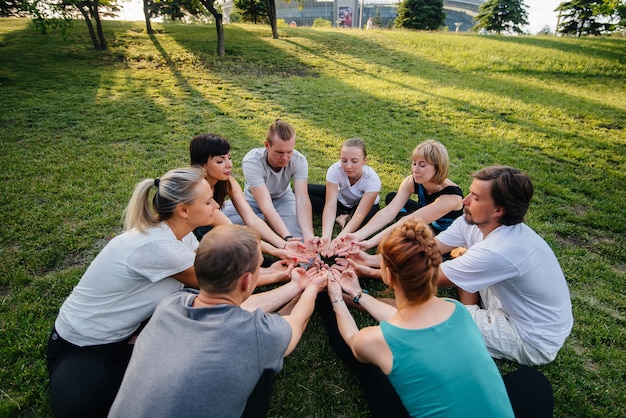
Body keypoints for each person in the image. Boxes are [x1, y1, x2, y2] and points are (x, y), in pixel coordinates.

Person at [46, 167, 219, 418]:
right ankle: (136, 344)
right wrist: (285, 279)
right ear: (183, 210)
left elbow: (213, 270)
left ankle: (137, 342)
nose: (215, 205)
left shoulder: (181, 234)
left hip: (122, 333)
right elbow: (217, 283)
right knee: (82, 410)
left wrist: (280, 271)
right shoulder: (160, 247)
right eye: (208, 201)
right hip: (81, 345)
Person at [109, 224, 327, 418]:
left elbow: (236, 308)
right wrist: (312, 288)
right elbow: (297, 322)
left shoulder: (171, 304)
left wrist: (295, 286)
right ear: (247, 281)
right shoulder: (260, 334)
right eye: (260, 266)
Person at [320, 219, 515, 417]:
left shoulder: (376, 341)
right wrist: (358, 294)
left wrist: (335, 298)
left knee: (374, 375)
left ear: (387, 274)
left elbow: (353, 338)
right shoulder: (456, 308)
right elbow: (408, 323)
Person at [435, 165, 573, 366]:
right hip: (515, 306)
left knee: (435, 313)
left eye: (475, 197)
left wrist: (374, 272)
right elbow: (430, 248)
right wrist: (377, 260)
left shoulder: (500, 249)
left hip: (531, 337)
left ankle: (371, 302)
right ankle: (471, 313)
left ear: (498, 210)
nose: (465, 201)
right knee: (464, 263)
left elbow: (424, 278)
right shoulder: (477, 221)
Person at [189, 133, 315, 284]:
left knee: (248, 250)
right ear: (202, 165)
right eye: (220, 161)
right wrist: (275, 249)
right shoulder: (197, 189)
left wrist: (284, 244)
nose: (229, 165)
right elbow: (232, 230)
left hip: (218, 231)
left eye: (229, 158)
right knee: (239, 254)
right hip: (198, 237)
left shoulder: (228, 181)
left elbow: (252, 218)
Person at [332, 139, 463, 276]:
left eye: (422, 165)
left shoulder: (452, 197)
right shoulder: (412, 181)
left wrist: (370, 242)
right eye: (414, 163)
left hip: (441, 236)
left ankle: (375, 262)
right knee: (392, 197)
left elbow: (407, 221)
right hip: (423, 221)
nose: (415, 169)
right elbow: (389, 211)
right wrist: (358, 236)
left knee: (407, 235)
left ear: (438, 167)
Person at [221, 119, 318, 251]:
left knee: (299, 234)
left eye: (289, 151)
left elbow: (302, 199)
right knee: (218, 221)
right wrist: (286, 237)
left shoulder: (299, 160)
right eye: (279, 152)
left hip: (284, 199)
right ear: (267, 145)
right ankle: (265, 221)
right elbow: (265, 204)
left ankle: (311, 265)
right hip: (251, 200)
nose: (285, 157)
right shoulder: (252, 162)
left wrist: (308, 235)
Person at [308, 138, 381, 257]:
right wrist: (326, 236)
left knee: (362, 222)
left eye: (354, 161)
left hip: (362, 206)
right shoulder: (334, 170)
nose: (348, 166)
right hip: (342, 200)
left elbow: (360, 214)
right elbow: (330, 204)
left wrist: (340, 237)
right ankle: (340, 216)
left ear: (364, 161)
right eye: (344, 160)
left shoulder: (372, 180)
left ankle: (346, 219)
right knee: (304, 192)